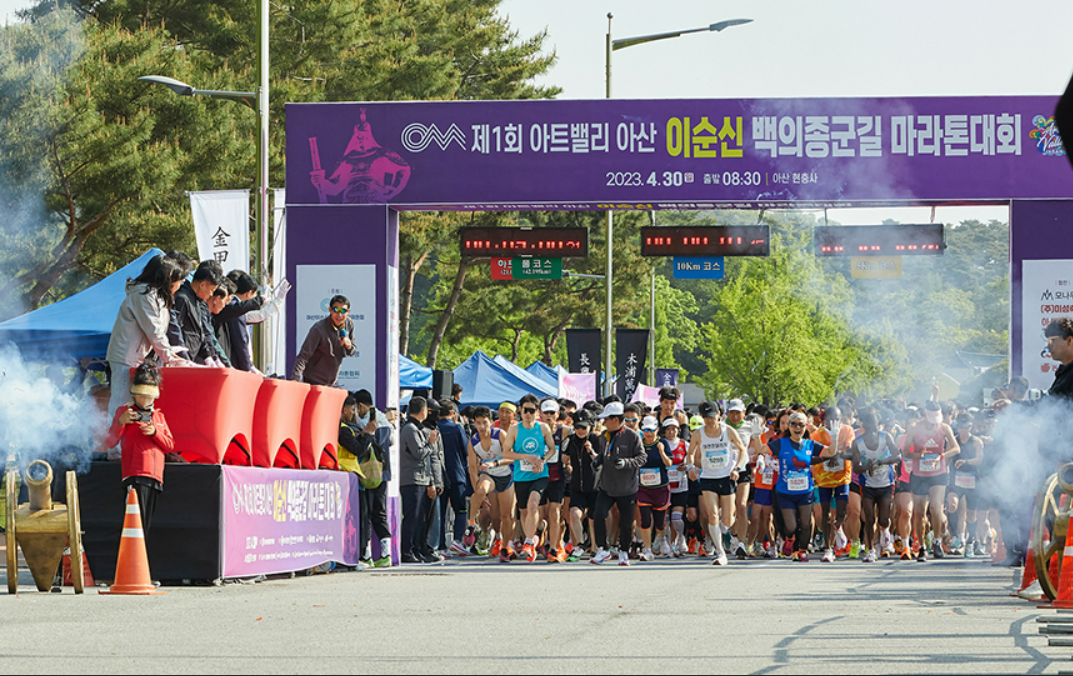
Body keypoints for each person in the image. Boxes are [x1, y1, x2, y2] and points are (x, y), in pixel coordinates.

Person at [105, 254, 192, 429]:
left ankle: (126, 445)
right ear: (165, 278)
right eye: (177, 280)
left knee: (134, 401)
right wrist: (170, 357)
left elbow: (158, 332)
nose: (179, 285)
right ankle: (115, 448)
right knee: (121, 401)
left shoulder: (154, 296)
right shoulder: (143, 295)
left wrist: (169, 355)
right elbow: (154, 330)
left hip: (138, 356)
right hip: (125, 355)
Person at [103, 364, 175, 534]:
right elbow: (110, 442)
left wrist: (155, 432)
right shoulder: (124, 412)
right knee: (135, 525)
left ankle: (142, 559)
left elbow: (170, 445)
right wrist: (121, 422)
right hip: (134, 476)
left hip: (156, 477)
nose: (146, 398)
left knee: (147, 526)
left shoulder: (159, 416)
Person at [688, 401, 747, 566]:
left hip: (726, 477)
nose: (709, 421)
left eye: (712, 417)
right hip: (708, 477)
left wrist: (737, 468)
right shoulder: (698, 434)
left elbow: (742, 450)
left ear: (719, 415)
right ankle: (720, 553)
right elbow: (690, 453)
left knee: (728, 519)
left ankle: (719, 531)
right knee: (712, 514)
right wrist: (691, 467)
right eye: (706, 418)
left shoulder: (728, 431)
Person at [500, 393, 558, 563]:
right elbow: (506, 452)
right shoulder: (514, 429)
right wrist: (525, 457)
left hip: (540, 474)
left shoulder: (543, 428)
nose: (529, 414)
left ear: (537, 412)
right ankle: (534, 535)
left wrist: (542, 460)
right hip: (520, 475)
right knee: (524, 512)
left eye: (532, 411)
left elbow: (552, 449)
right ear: (520, 411)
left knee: (534, 504)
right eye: (526, 410)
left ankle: (528, 542)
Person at [590, 402, 647, 566]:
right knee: (598, 515)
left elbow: (642, 458)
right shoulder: (604, 435)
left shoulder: (632, 436)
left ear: (616, 419)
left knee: (626, 523)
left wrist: (626, 463)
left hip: (626, 488)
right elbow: (602, 454)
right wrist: (597, 461)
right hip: (606, 486)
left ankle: (623, 552)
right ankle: (602, 549)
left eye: (606, 419)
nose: (604, 423)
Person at [904, 400, 960, 561]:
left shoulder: (944, 428)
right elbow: (905, 451)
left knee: (936, 508)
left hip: (938, 472)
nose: (933, 423)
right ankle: (921, 546)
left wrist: (941, 456)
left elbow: (956, 448)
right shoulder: (914, 428)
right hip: (919, 473)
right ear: (925, 415)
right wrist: (918, 455)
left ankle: (937, 541)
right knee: (919, 512)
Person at [769, 411, 826, 562]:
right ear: (789, 426)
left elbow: (831, 452)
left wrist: (833, 437)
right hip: (785, 491)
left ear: (806, 426)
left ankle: (802, 550)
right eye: (794, 424)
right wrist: (755, 436)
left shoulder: (810, 444)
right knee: (791, 526)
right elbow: (762, 450)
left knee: (806, 523)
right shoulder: (780, 443)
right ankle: (789, 539)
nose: (797, 427)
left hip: (805, 491)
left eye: (801, 424)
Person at [465, 406, 517, 563]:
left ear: (491, 423)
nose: (482, 427)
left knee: (506, 516)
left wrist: (495, 463)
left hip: (506, 475)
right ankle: (472, 525)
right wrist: (479, 495)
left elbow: (512, 457)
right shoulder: (473, 442)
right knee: (484, 497)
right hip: (489, 476)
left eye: (485, 423)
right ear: (474, 423)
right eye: (478, 423)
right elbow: (473, 471)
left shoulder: (499, 435)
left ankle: (506, 547)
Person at [350, 389, 394, 567]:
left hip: (368, 472)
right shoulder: (383, 418)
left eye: (355, 408)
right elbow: (390, 441)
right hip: (382, 472)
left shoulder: (362, 420)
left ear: (360, 406)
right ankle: (386, 554)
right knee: (380, 512)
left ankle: (366, 554)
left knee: (366, 513)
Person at [850, 412, 900, 563]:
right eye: (869, 426)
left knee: (884, 519)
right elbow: (856, 469)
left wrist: (881, 462)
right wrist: (867, 466)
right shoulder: (857, 443)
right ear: (863, 426)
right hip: (868, 485)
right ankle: (870, 550)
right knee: (869, 518)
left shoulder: (886, 437)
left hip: (885, 483)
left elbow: (897, 456)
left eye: (875, 426)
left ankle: (885, 533)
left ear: (879, 425)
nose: (872, 430)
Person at [399, 397, 443, 564]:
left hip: (420, 478)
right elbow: (418, 453)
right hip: (412, 479)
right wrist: (431, 444)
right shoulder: (410, 429)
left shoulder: (415, 428)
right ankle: (407, 550)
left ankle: (415, 549)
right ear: (424, 411)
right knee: (412, 516)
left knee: (418, 517)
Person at [810, 407, 855, 563]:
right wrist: (828, 456)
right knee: (825, 513)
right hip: (824, 478)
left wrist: (839, 454)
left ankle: (838, 527)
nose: (834, 423)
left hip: (843, 476)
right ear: (824, 421)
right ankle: (828, 549)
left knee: (842, 513)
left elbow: (851, 452)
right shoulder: (817, 435)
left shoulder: (847, 430)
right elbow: (814, 456)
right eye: (830, 420)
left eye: (837, 419)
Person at [167, 260, 227, 366]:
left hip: (193, 357)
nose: (211, 294)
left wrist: (208, 356)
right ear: (202, 285)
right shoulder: (182, 299)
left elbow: (201, 332)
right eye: (212, 290)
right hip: (182, 359)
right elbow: (175, 331)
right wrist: (183, 358)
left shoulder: (198, 301)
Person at [564, 410, 604, 562]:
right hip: (577, 486)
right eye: (578, 427)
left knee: (593, 519)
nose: (580, 430)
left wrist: (591, 451)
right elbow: (565, 457)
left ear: (591, 426)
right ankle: (579, 545)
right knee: (574, 514)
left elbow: (600, 461)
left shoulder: (597, 439)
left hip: (594, 486)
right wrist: (567, 463)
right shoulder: (570, 440)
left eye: (584, 427)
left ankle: (594, 547)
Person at [291, 294, 358, 386]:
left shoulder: (348, 324)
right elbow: (304, 356)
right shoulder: (319, 329)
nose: (339, 315)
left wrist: (349, 346)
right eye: (336, 310)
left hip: (332, 381)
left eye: (343, 311)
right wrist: (295, 380)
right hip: (314, 380)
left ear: (348, 312)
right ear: (330, 310)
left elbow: (352, 351)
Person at [725, 398, 763, 559]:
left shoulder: (749, 427)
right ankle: (734, 536)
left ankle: (741, 543)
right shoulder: (721, 426)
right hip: (725, 470)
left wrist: (760, 455)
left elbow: (760, 447)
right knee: (729, 510)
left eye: (738, 413)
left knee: (741, 506)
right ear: (727, 413)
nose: (735, 416)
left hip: (743, 469)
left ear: (744, 413)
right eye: (732, 413)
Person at [435, 400, 471, 557]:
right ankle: (457, 541)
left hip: (439, 475)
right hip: (457, 474)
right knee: (460, 510)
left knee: (441, 512)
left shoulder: (435, 428)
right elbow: (466, 450)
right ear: (452, 413)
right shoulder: (457, 428)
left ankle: (441, 545)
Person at [637, 416, 673, 561]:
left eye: (652, 430)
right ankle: (647, 550)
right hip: (643, 487)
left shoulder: (662, 442)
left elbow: (669, 463)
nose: (649, 433)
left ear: (657, 430)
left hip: (660, 488)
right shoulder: (638, 444)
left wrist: (662, 452)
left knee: (659, 522)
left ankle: (662, 539)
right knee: (645, 520)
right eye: (646, 430)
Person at [538, 398, 569, 563]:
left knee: (555, 513)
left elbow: (581, 434)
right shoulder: (534, 430)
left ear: (557, 414)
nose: (549, 416)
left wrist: (568, 459)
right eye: (546, 412)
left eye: (552, 413)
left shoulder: (564, 431)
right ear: (540, 414)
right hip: (537, 477)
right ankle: (542, 534)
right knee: (541, 515)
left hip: (557, 477)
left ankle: (554, 547)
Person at [663, 417, 691, 557]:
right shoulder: (661, 444)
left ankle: (681, 538)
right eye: (668, 429)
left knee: (677, 518)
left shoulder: (684, 444)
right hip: (664, 486)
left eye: (673, 429)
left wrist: (686, 466)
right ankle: (668, 543)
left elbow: (691, 460)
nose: (671, 432)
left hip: (680, 486)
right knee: (665, 519)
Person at [1046, 318, 1073, 399]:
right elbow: (1049, 403)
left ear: (1069, 340)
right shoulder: (1065, 373)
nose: (1048, 346)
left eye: (1053, 340)